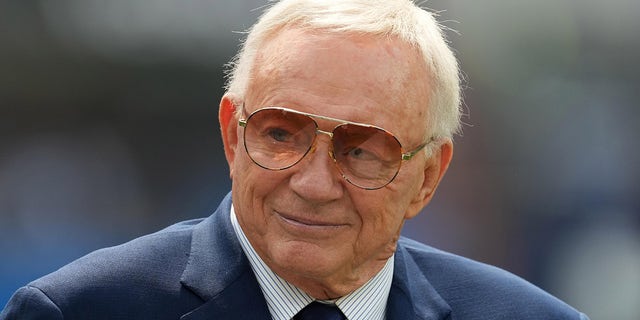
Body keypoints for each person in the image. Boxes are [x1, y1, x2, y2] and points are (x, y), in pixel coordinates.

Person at [1, 0, 589, 319]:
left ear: (427, 176)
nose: (313, 183)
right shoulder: (78, 314)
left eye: (362, 151)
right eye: (281, 135)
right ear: (233, 136)